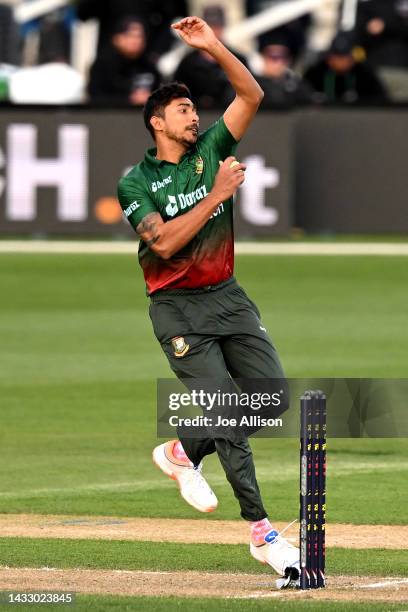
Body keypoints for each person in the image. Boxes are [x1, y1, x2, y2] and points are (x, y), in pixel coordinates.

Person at [117, 15, 299, 586]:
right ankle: (263, 532)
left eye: (195, 109)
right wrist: (218, 193)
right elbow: (165, 242)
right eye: (182, 111)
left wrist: (213, 44)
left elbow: (252, 92)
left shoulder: (212, 146)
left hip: (229, 297)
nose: (195, 116)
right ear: (157, 123)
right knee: (228, 414)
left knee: (268, 399)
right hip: (178, 310)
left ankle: (181, 452)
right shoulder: (135, 183)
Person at [173, 6, 248, 109]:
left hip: (231, 116)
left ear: (223, 26)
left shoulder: (238, 59)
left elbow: (249, 93)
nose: (213, 31)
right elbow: (175, 96)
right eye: (210, 27)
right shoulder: (187, 63)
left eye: (217, 26)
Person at [88, 17, 161, 106]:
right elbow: (95, 97)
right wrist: (129, 99)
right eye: (130, 35)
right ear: (116, 39)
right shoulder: (102, 66)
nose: (136, 41)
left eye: (139, 36)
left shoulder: (149, 66)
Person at [304, 31, 388, 105]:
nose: (341, 62)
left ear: (352, 59)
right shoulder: (315, 74)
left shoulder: (365, 75)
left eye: (345, 58)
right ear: (329, 58)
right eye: (337, 57)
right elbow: (303, 98)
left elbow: (380, 101)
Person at [256, 34, 313, 109]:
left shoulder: (297, 84)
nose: (279, 61)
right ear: (263, 57)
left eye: (283, 56)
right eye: (273, 56)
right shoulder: (253, 84)